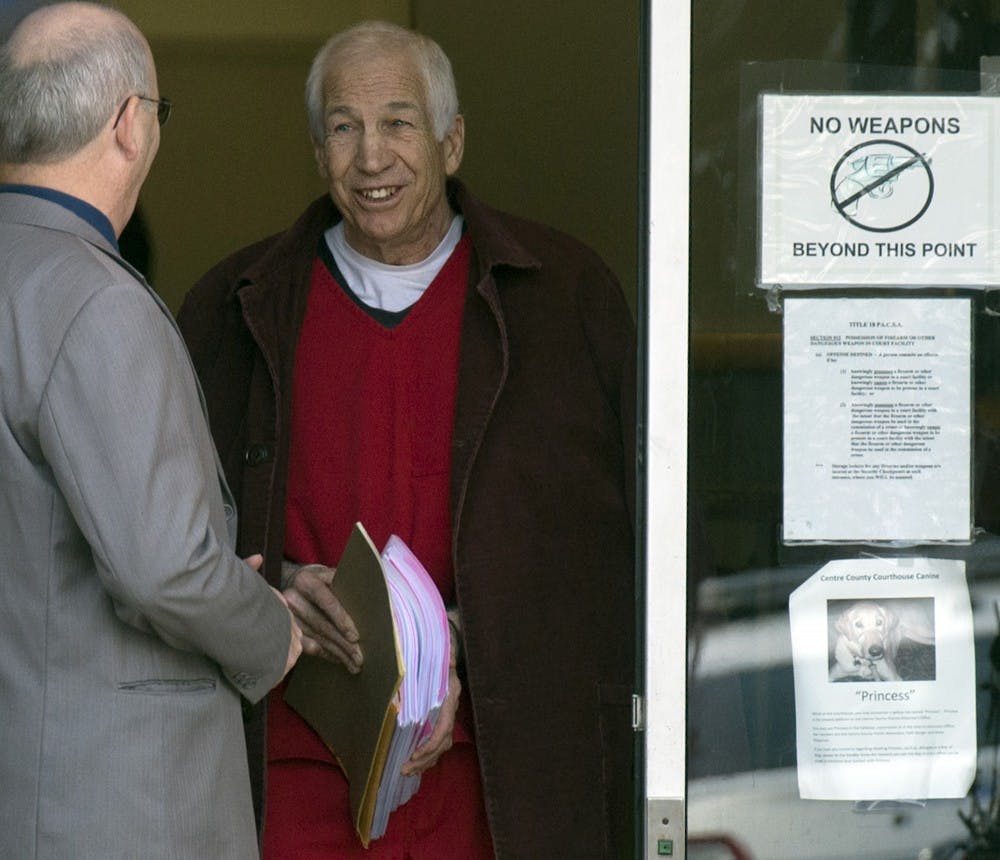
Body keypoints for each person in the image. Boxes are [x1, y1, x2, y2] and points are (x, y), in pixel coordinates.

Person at [179, 19, 636, 860]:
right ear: (317, 152)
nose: (371, 157)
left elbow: (617, 557)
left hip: (499, 780)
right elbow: (176, 544)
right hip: (296, 775)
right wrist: (278, 587)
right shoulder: (237, 306)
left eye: (398, 122)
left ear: (451, 141)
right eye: (343, 127)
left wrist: (465, 635)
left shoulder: (563, 300)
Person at [0, 4, 302, 858]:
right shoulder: (97, 302)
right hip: (114, 805)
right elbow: (165, 570)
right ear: (129, 124)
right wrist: (269, 626)